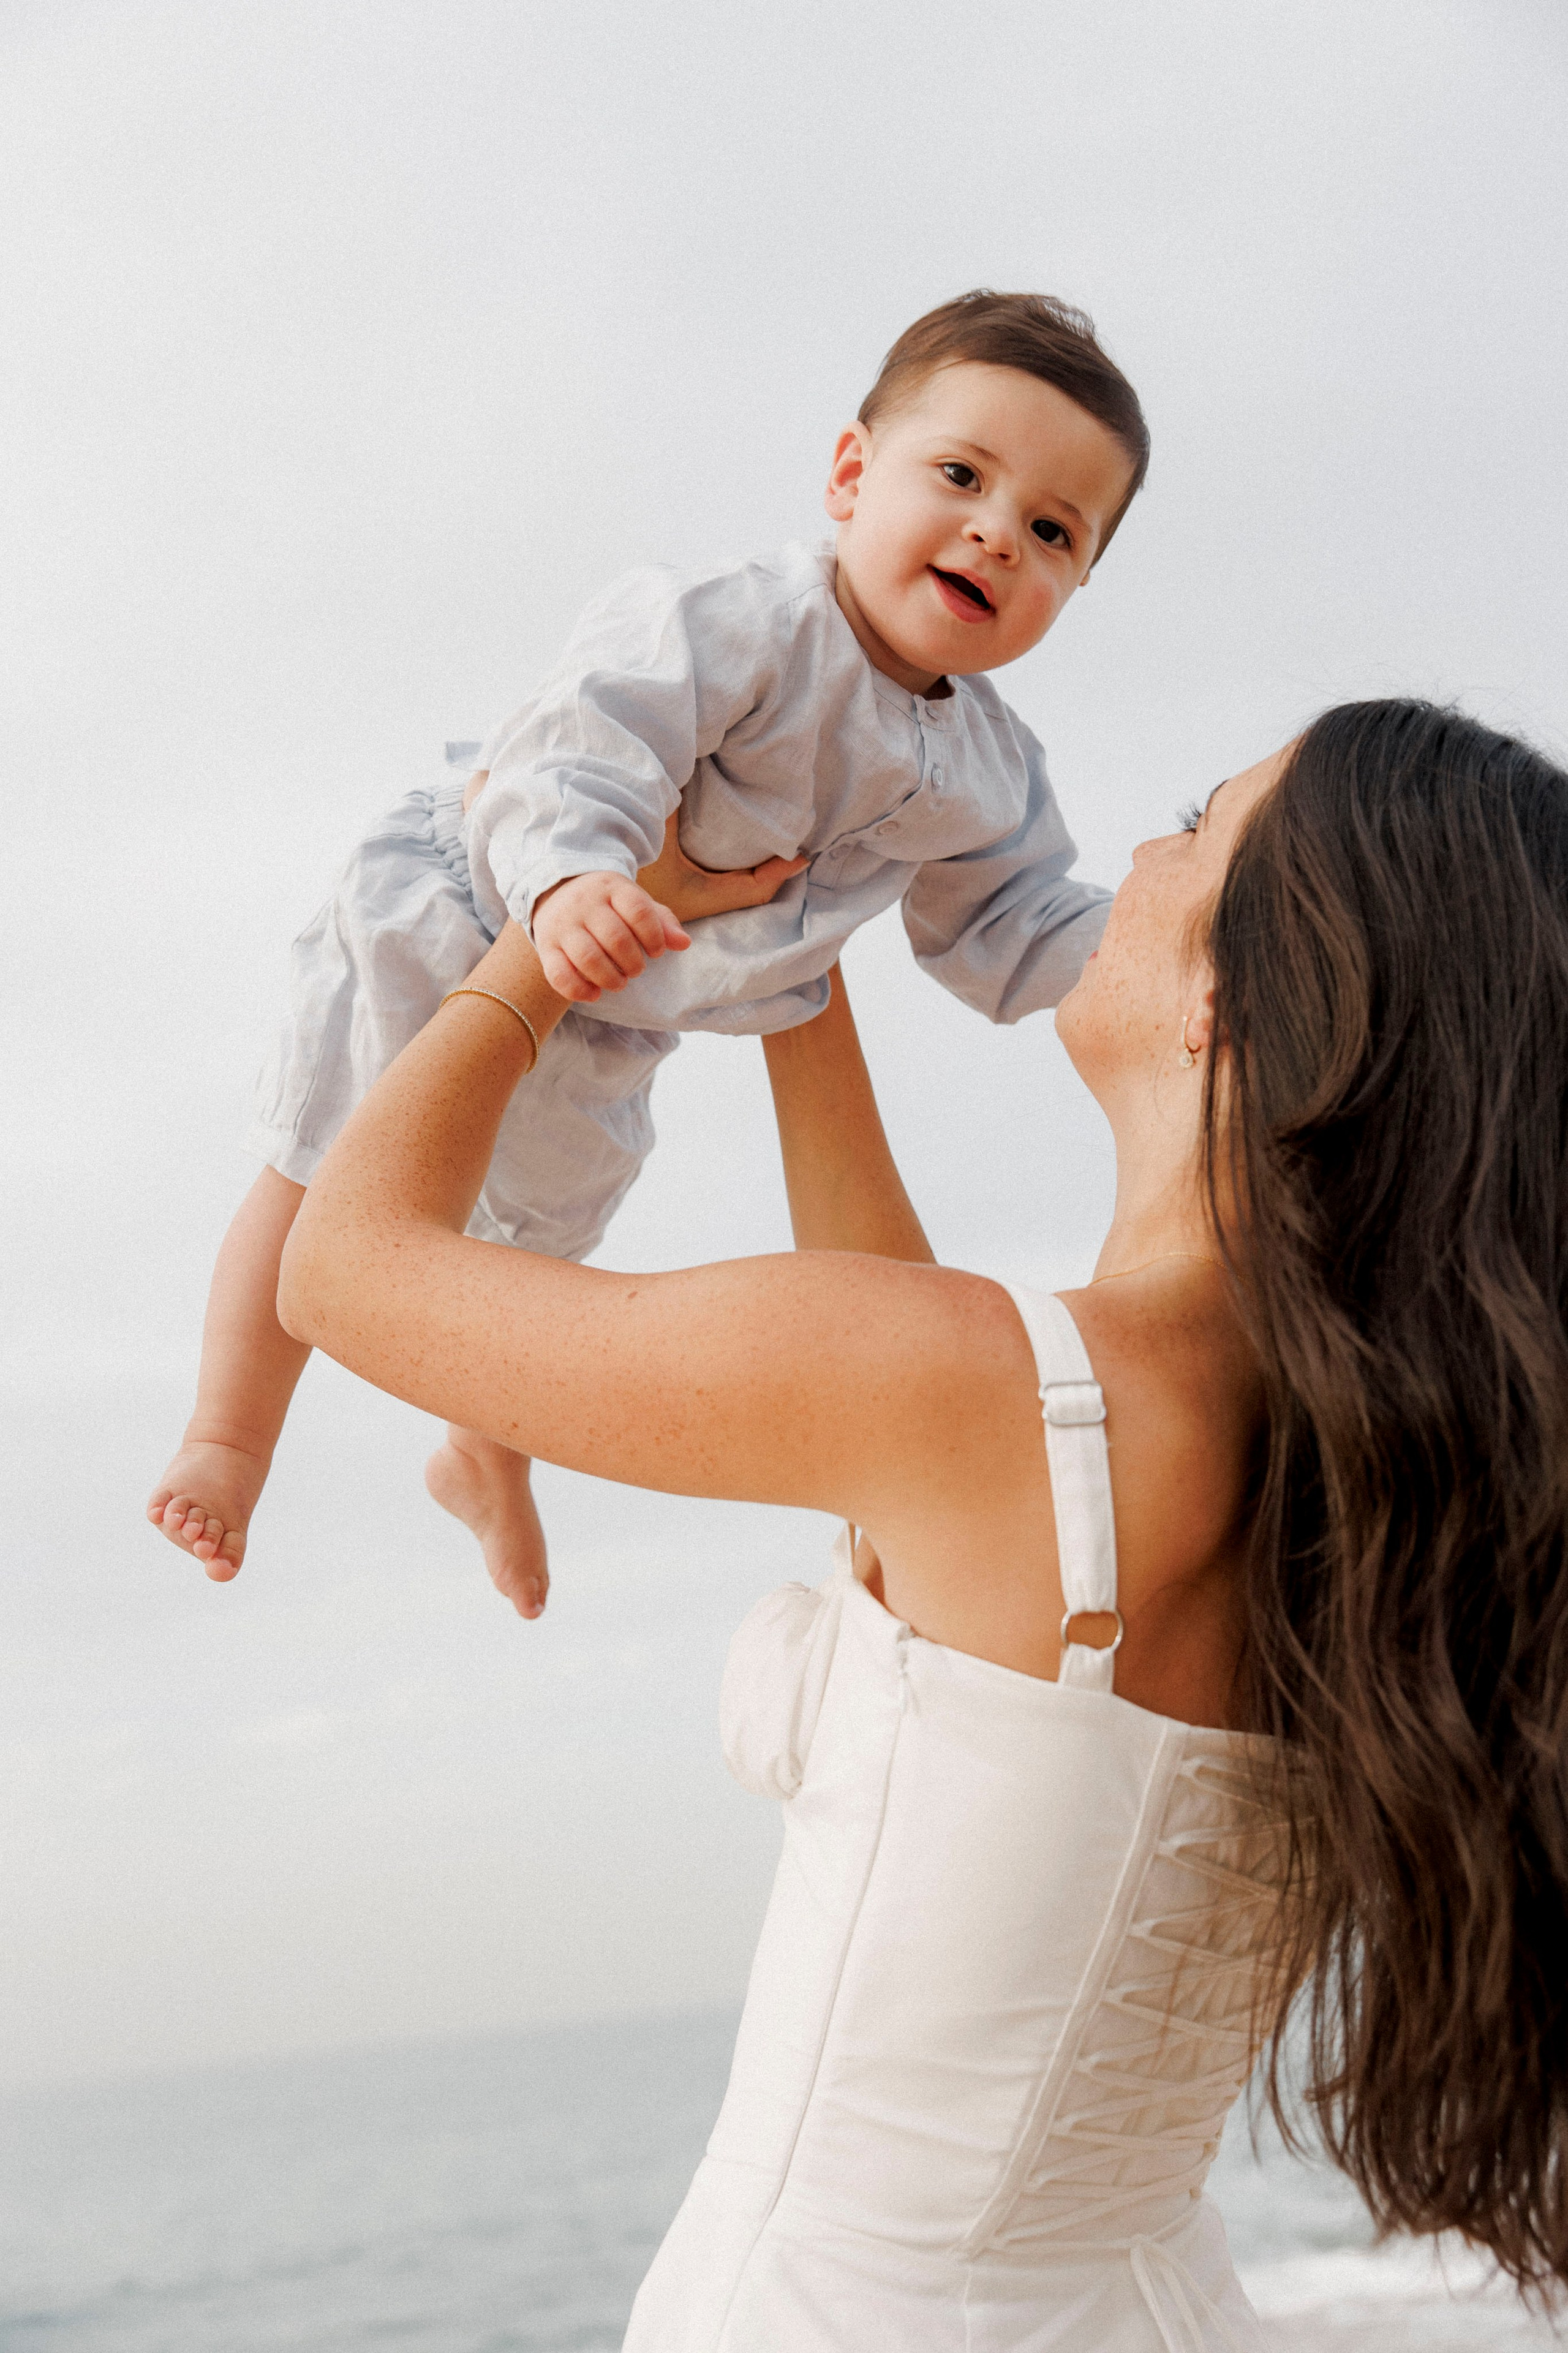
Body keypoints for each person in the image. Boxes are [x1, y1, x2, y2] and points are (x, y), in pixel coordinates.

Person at [274, 698, 1568, 2346]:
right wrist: (791, 951)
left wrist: (539, 946)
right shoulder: (1359, 1493)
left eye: (1193, 822)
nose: (1140, 856)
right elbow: (915, 1361)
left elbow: (346, 1268)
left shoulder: (998, 1404)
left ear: (1243, 986)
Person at [146, 287, 1147, 1615]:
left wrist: (1162, 944)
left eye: (1050, 531)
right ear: (852, 474)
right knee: (331, 1167)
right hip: (477, 910)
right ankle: (229, 1434)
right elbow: (582, 741)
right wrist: (570, 877)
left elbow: (1009, 931)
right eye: (959, 475)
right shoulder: (745, 620)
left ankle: (483, 1453)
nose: (994, 534)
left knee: (525, 1265)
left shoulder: (987, 771)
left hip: (621, 1013)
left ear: (1076, 583)